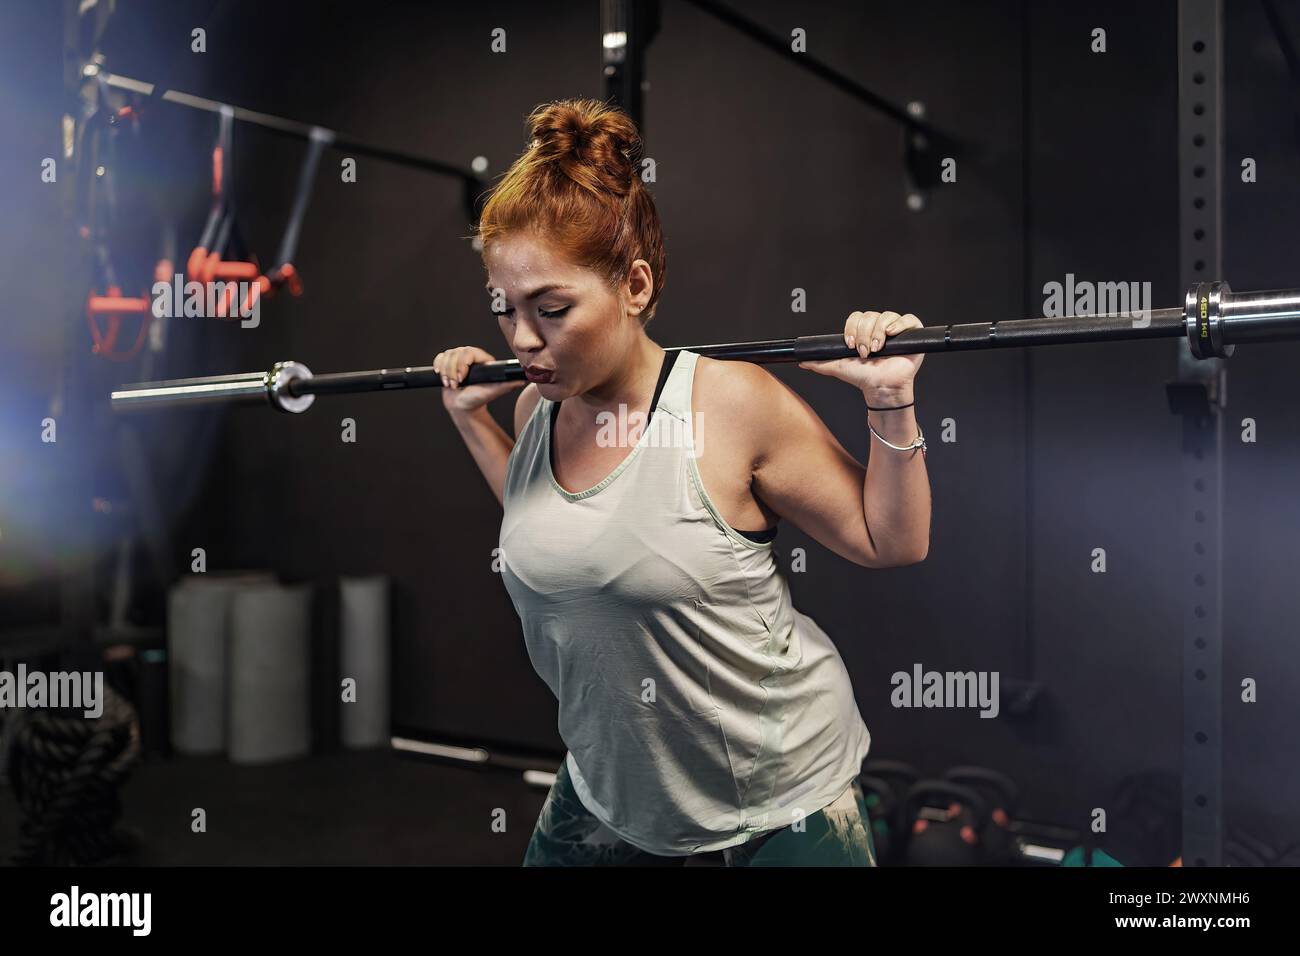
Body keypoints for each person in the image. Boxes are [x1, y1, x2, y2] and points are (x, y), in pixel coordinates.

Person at [434, 98, 931, 866]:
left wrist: (889, 400)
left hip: (778, 788)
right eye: (506, 310)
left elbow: (890, 542)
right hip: (613, 782)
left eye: (553, 308)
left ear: (635, 286)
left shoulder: (731, 405)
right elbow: (569, 532)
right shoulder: (539, 404)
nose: (524, 340)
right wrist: (471, 421)